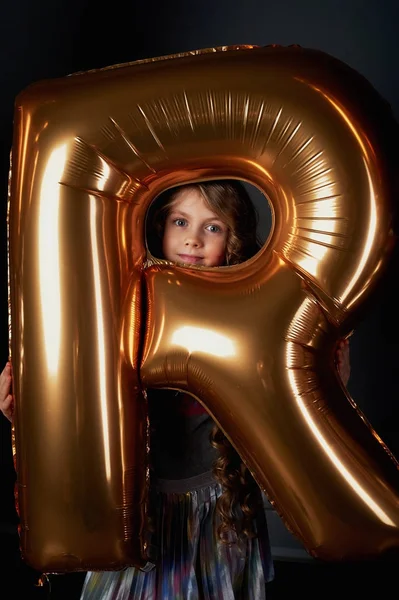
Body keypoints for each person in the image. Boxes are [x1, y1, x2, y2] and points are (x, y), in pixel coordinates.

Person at [1, 180, 351, 599]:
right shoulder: (124, 306)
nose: (193, 238)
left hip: (219, 502)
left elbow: (285, 416)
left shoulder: (249, 317)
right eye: (180, 221)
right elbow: (79, 408)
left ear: (233, 239)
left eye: (213, 227)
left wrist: (331, 383)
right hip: (143, 505)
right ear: (159, 227)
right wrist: (28, 412)